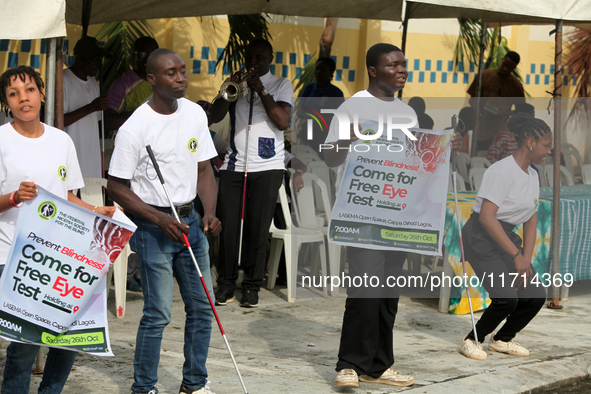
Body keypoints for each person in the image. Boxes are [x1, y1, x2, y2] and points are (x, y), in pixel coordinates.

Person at [323, 43, 462, 389]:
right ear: (373, 70)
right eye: (393, 65)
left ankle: (380, 365)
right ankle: (349, 364)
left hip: (399, 215)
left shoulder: (407, 113)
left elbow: (416, 161)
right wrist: (345, 140)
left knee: (387, 294)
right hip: (362, 213)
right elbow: (329, 157)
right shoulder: (352, 107)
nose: (402, 70)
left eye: (404, 64)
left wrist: (444, 148)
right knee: (365, 290)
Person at [107, 48, 221, 394]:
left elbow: (204, 169)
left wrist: (211, 212)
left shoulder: (195, 114)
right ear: (152, 79)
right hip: (154, 227)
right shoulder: (134, 128)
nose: (180, 78)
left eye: (183, 71)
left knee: (203, 308)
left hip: (191, 223)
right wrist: (157, 218)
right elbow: (115, 186)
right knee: (158, 313)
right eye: (171, 73)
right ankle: (143, 388)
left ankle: (194, 383)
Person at [0, 66, 115, 394]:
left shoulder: (61, 140)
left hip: (61, 254)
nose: (24, 98)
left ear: (41, 93)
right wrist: (12, 197)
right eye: (14, 93)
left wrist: (97, 211)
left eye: (30, 90)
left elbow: (67, 196)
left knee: (69, 337)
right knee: (25, 342)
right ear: (6, 103)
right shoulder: (1, 140)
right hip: (13, 254)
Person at [458, 112, 550, 361]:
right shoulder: (501, 171)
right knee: (506, 298)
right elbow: (487, 218)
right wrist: (515, 255)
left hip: (505, 238)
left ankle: (502, 339)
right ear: (530, 141)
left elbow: (531, 217)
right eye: (546, 145)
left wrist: (525, 259)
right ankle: (472, 339)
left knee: (535, 295)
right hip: (480, 236)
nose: (549, 151)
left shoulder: (532, 175)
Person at [212, 38, 293, 308]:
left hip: (268, 166)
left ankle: (251, 286)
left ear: (270, 58)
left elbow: (282, 121)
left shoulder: (281, 85)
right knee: (228, 227)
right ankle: (226, 283)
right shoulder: (238, 83)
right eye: (250, 56)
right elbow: (214, 115)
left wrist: (262, 91)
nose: (254, 61)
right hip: (234, 164)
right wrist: (228, 89)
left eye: (260, 57)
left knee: (258, 228)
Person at [63, 36, 109, 178]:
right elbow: (58, 121)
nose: (98, 63)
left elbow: (95, 121)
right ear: (80, 56)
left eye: (99, 58)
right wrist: (90, 107)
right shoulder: (63, 80)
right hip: (71, 160)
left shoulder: (94, 84)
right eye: (94, 58)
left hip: (92, 162)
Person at [467, 51, 525, 152]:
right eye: (505, 64)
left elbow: (522, 110)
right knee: (480, 161)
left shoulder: (516, 85)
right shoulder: (484, 76)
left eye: (509, 67)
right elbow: (472, 99)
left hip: (500, 133)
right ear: (502, 60)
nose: (505, 68)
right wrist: (477, 111)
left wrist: (504, 113)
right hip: (481, 131)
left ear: (514, 68)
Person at [105, 36, 159, 130]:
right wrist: (144, 114)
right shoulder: (122, 84)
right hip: (132, 143)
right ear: (135, 56)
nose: (147, 58)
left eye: (152, 54)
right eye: (142, 54)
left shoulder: (165, 82)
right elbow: (108, 122)